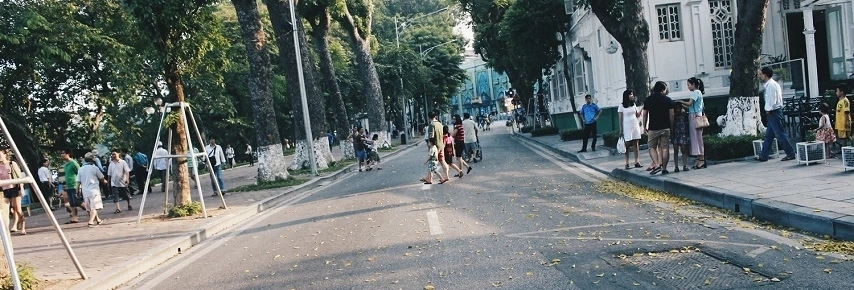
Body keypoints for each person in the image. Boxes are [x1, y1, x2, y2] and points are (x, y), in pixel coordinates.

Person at [756, 67, 796, 161]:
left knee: (780, 135)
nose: (760, 76)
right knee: (769, 136)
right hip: (773, 112)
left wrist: (768, 110)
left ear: (765, 75)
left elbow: (772, 100)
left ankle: (790, 153)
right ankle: (763, 155)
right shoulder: (772, 84)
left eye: (761, 74)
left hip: (773, 112)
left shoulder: (771, 86)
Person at [642, 81, 675, 175]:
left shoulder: (648, 100)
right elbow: (672, 115)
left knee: (652, 147)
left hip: (653, 128)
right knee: (665, 148)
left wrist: (644, 126)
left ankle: (656, 164)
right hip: (665, 127)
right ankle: (664, 168)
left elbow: (645, 115)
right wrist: (671, 127)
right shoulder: (668, 100)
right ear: (663, 89)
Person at [677, 77, 707, 169]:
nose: (688, 87)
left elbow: (689, 103)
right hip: (695, 115)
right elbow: (690, 106)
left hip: (695, 117)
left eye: (689, 85)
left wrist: (681, 101)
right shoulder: (698, 93)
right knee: (696, 138)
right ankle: (698, 159)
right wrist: (682, 104)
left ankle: (701, 159)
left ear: (693, 84)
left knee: (697, 139)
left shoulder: (696, 92)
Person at [618, 90, 643, 170]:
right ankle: (627, 162)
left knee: (636, 143)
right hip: (627, 126)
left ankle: (637, 161)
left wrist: (642, 109)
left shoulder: (633, 104)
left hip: (634, 124)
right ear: (626, 96)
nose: (632, 96)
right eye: (630, 94)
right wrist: (621, 129)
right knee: (627, 144)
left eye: (632, 94)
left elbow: (637, 115)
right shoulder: (621, 106)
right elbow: (620, 119)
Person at [78, 153, 106, 227]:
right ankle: (90, 222)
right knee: (94, 207)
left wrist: (77, 191)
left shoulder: (81, 169)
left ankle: (98, 220)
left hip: (85, 191)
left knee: (90, 207)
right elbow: (102, 178)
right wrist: (105, 181)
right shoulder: (95, 168)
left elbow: (78, 181)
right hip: (94, 190)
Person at [1, 150, 25, 234]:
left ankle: (23, 226)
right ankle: (13, 225)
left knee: (17, 209)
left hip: (14, 188)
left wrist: (21, 188)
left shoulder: (12, 163)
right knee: (8, 210)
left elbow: (19, 176)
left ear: (5, 154)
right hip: (4, 189)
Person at [61, 149, 86, 224]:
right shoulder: (65, 165)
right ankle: (74, 218)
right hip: (68, 186)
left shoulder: (73, 163)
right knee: (72, 203)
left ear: (68, 154)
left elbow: (80, 173)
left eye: (63, 153)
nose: (62, 155)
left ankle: (90, 211)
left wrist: (80, 184)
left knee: (77, 201)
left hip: (74, 185)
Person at [427, 112, 449, 183]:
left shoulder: (431, 125)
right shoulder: (440, 124)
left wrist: (430, 145)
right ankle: (447, 176)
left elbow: (431, 136)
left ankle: (429, 179)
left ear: (429, 117)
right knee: (442, 161)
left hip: (435, 146)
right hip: (441, 144)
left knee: (431, 162)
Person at [672, 103, 691, 172]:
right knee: (676, 151)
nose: (677, 110)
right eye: (676, 108)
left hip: (682, 134)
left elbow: (688, 109)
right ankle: (676, 166)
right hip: (675, 135)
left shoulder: (683, 115)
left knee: (684, 150)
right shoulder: (673, 116)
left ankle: (685, 165)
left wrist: (682, 104)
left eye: (679, 108)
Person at [835, 83, 851, 151]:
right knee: (841, 137)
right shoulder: (840, 101)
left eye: (837, 91)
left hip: (844, 122)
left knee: (845, 137)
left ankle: (845, 150)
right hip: (840, 123)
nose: (836, 93)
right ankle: (843, 149)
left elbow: (846, 111)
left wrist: (846, 121)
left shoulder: (845, 101)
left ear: (842, 92)